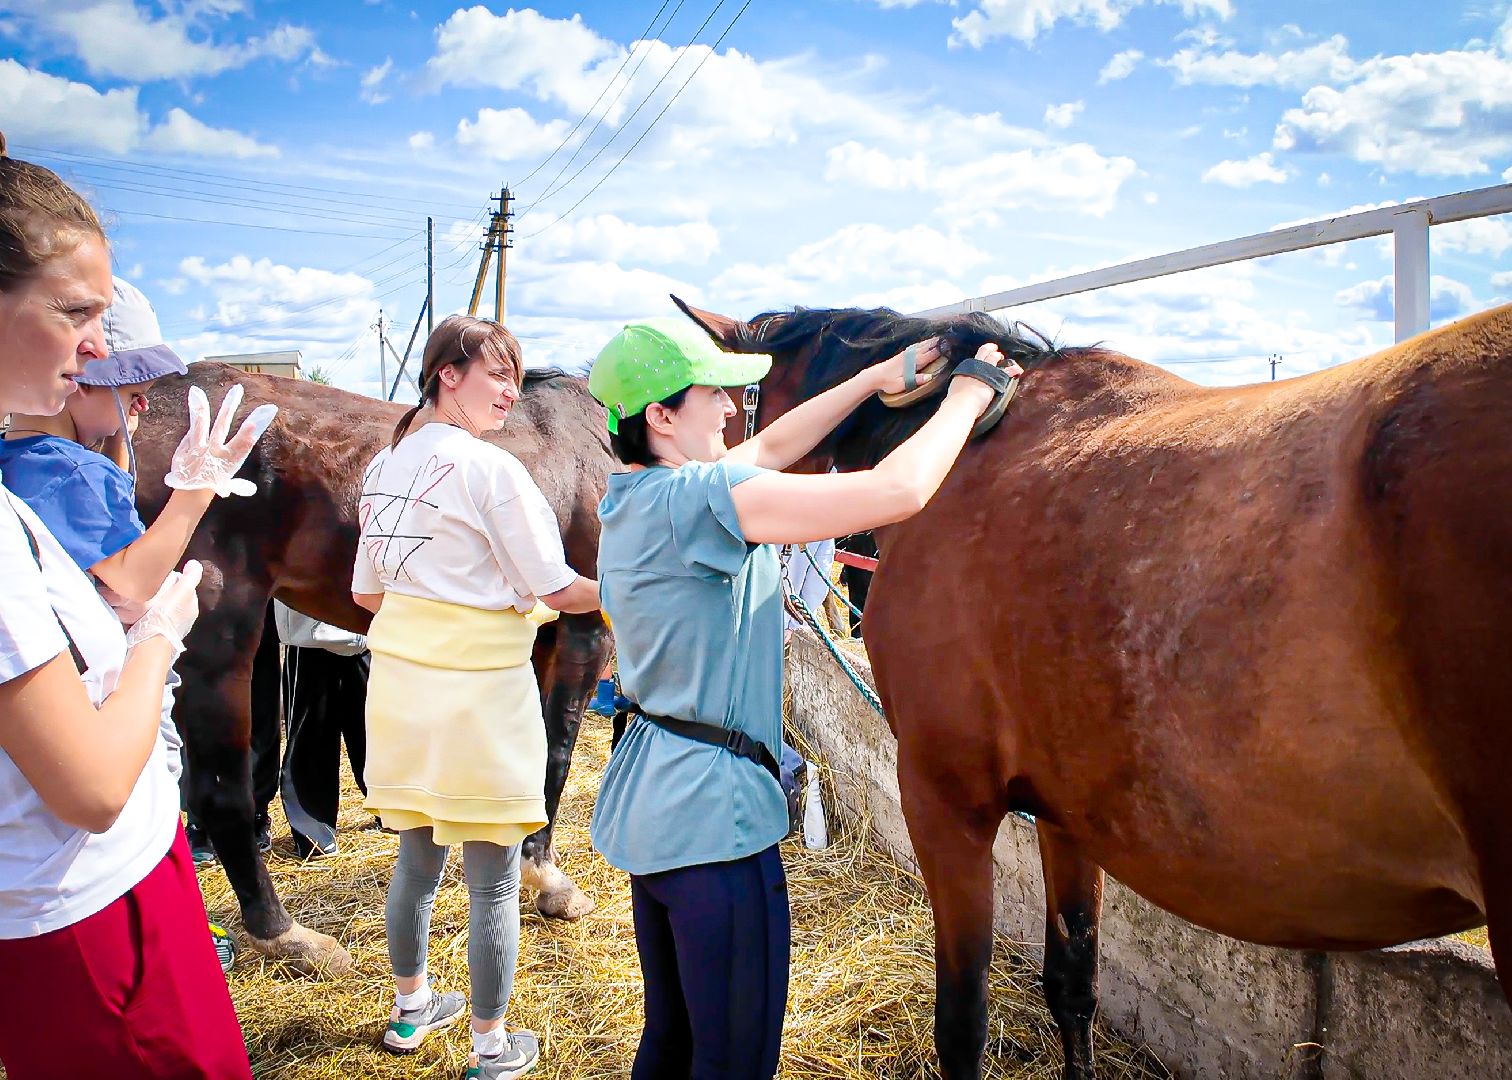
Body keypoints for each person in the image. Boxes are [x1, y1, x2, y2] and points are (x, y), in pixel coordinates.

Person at [586, 317, 1019, 1079]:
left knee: (672, 1041)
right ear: (660, 416)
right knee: (738, 1062)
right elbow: (899, 490)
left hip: (653, 807)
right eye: (713, 393)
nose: (730, 406)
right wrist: (967, 395)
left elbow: (774, 450)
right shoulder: (706, 496)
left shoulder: (634, 494)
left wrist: (869, 380)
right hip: (713, 822)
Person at [0, 135, 260, 1078]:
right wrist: (161, 638)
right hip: (83, 908)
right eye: (75, 312)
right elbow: (93, 785)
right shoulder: (39, 482)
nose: (98, 348)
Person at [352, 314, 600, 1078]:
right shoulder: (492, 471)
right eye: (496, 373)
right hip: (480, 692)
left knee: (417, 861)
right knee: (492, 880)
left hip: (402, 685)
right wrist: (646, 586)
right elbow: (557, 588)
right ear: (445, 374)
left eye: (515, 375)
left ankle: (410, 1010)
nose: (510, 391)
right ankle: (493, 1049)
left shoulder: (382, 467)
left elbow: (366, 594)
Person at [274, 599, 370, 858]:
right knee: (310, 742)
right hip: (309, 636)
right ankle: (312, 832)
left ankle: (393, 814)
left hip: (369, 634)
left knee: (378, 734)